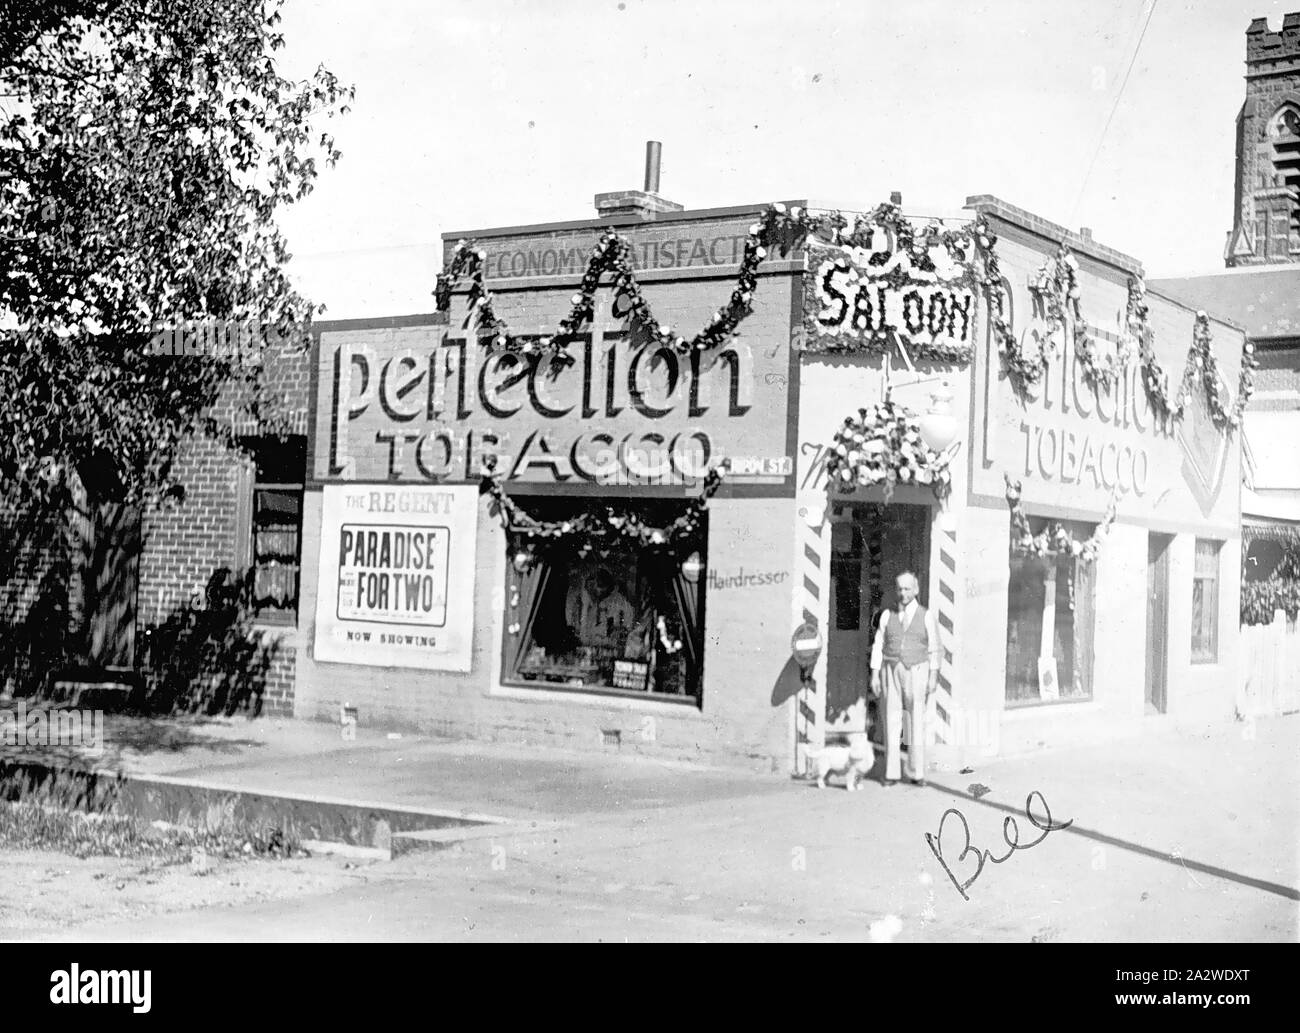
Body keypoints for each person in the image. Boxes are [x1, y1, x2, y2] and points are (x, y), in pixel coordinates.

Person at [870, 570, 941, 787]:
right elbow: (878, 645)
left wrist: (933, 676)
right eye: (900, 589)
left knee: (915, 720)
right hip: (890, 669)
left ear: (916, 590)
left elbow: (934, 649)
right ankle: (891, 773)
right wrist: (874, 673)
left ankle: (916, 772)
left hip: (917, 670)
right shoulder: (886, 615)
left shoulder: (926, 615)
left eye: (907, 588)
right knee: (891, 718)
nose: (903, 593)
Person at [565, 565, 635, 651]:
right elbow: (580, 635)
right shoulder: (583, 604)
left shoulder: (621, 605)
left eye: (596, 585)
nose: (593, 589)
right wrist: (585, 606)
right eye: (589, 586)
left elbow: (623, 639)